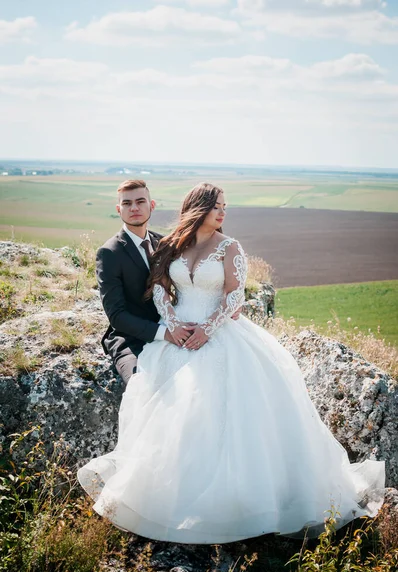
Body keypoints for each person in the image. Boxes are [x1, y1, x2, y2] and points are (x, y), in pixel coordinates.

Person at [78, 182, 385, 544]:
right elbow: (159, 285)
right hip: (173, 334)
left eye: (225, 206)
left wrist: (206, 329)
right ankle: (174, 494)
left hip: (218, 333)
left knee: (230, 410)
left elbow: (234, 295)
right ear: (198, 208)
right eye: (216, 207)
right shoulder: (168, 245)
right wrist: (172, 324)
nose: (223, 213)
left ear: (151, 204)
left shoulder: (229, 246)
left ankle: (241, 503)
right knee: (165, 399)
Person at [96, 179, 184, 386]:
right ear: (119, 209)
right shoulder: (109, 253)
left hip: (170, 328)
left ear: (151, 206)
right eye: (127, 203)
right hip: (131, 340)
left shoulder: (163, 243)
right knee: (143, 388)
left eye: (140, 201)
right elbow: (117, 316)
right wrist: (165, 334)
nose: (134, 208)